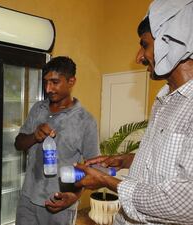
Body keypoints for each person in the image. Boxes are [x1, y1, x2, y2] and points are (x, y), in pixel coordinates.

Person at [74, 1, 193, 224]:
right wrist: (127, 160)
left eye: (145, 45)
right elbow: (172, 161)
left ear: (173, 43)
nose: (139, 56)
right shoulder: (164, 99)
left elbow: (186, 201)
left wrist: (107, 181)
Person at [14, 56, 99, 225]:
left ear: (71, 81)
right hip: (28, 199)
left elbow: (94, 168)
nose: (48, 88)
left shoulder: (85, 121)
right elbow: (18, 143)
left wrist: (74, 196)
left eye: (54, 82)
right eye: (46, 82)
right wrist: (34, 136)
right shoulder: (38, 109)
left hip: (60, 205)